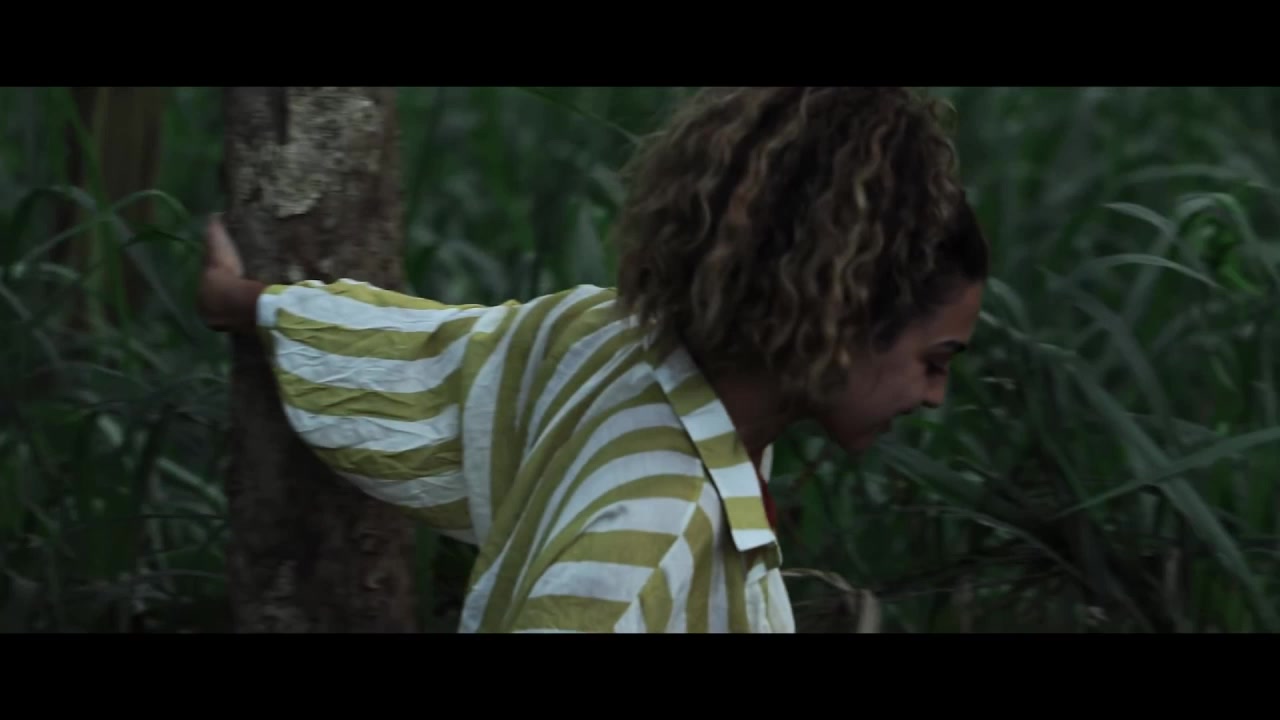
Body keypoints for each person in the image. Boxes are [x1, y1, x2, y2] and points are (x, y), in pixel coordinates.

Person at [197, 86, 989, 633]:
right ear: (839, 321)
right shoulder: (644, 545)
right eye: (935, 359)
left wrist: (253, 304)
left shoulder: (605, 341)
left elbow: (429, 351)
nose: (934, 396)